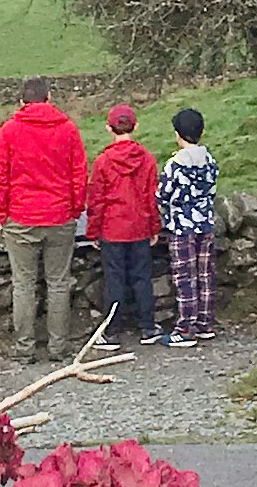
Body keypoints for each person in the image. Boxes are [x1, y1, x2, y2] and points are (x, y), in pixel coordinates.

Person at [0, 77, 89, 358]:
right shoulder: (67, 129)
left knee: (23, 285)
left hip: (21, 216)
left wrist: (2, 214)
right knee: (58, 283)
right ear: (49, 98)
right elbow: (79, 173)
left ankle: (25, 348)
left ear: (22, 101)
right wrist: (75, 209)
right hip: (59, 215)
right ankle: (58, 347)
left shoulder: (10, 131)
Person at [89, 101, 160, 343]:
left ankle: (112, 331)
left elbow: (96, 200)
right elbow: (152, 197)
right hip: (139, 225)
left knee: (114, 279)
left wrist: (93, 231)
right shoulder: (147, 159)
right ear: (135, 126)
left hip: (112, 227)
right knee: (142, 277)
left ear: (108, 128)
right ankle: (148, 327)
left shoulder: (102, 162)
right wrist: (154, 227)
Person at [156, 104, 220, 346]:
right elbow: (212, 190)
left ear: (178, 134)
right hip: (205, 223)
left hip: (182, 226)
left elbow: (163, 195)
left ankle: (185, 328)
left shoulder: (175, 165)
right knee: (205, 274)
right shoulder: (209, 161)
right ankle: (205, 322)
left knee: (185, 276)